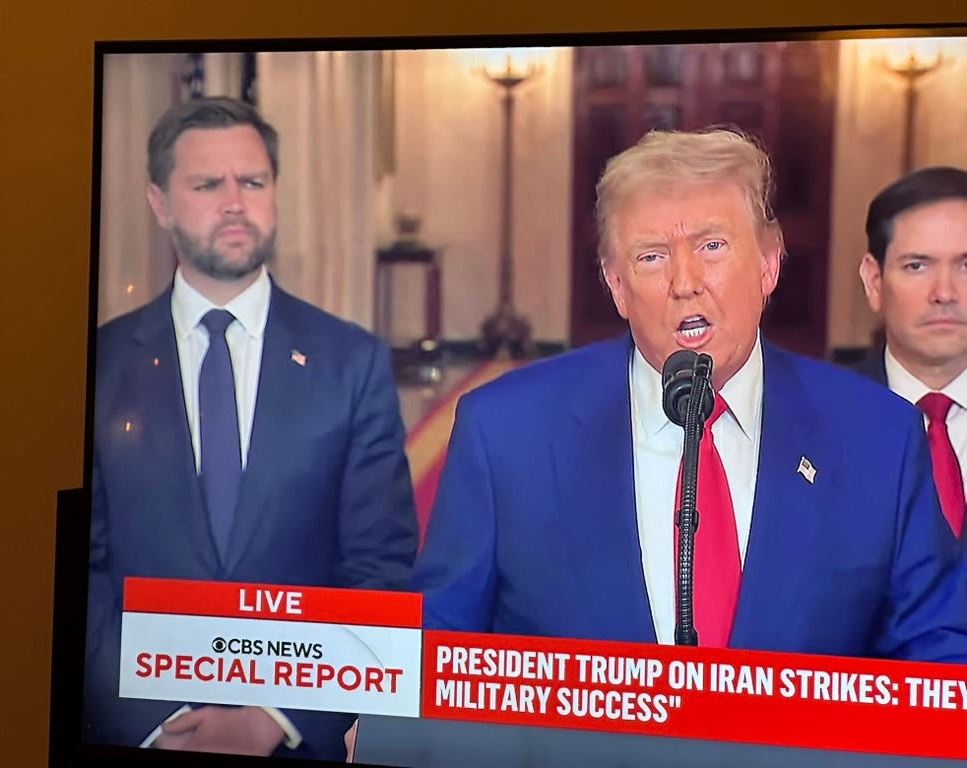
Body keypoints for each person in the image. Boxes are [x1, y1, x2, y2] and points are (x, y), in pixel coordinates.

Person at [410, 128, 967, 661]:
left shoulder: (879, 436)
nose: (685, 282)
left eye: (713, 246)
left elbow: (935, 656)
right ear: (616, 285)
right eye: (651, 256)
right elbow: (437, 651)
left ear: (769, 264)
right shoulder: (505, 433)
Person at [84, 96, 418, 761]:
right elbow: (77, 569)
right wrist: (157, 720)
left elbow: (380, 567)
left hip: (294, 739)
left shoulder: (351, 363)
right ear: (159, 203)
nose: (235, 202)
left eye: (254, 182)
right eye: (209, 184)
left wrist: (276, 716)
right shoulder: (97, 365)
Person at [856, 166, 967, 539]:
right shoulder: (816, 421)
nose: (945, 293)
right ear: (874, 281)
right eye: (917, 266)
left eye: (966, 265)